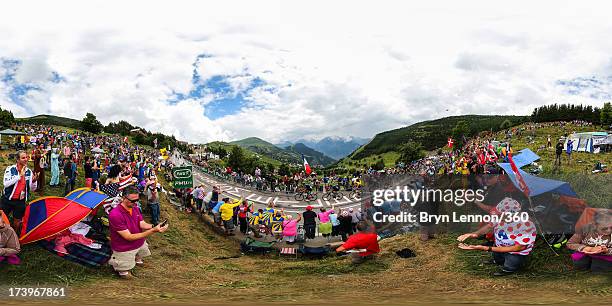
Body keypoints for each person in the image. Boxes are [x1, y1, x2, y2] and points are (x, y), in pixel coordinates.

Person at [457, 197, 536, 276]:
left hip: (515, 252)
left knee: (512, 260)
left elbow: (518, 248)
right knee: (497, 256)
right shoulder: (499, 218)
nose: (497, 215)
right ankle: (498, 261)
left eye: (500, 214)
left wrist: (488, 248)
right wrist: (475, 234)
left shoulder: (526, 225)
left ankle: (508, 269)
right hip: (499, 246)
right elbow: (489, 226)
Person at [108, 185, 168, 279]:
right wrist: (153, 230)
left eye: (137, 200)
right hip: (124, 246)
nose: (135, 203)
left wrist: (153, 226)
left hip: (138, 241)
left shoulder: (135, 208)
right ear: (123, 198)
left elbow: (141, 223)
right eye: (132, 200)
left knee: (140, 251)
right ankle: (124, 272)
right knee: (123, 267)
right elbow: (128, 237)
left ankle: (137, 261)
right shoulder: (115, 215)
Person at [2, 151, 38, 231]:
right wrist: (19, 176)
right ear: (18, 160)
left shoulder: (29, 172)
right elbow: (6, 184)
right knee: (2, 218)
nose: (26, 159)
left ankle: (14, 235)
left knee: (17, 221)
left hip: (20, 201)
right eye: (23, 158)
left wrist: (34, 181)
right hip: (7, 199)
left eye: (26, 157)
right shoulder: (10, 169)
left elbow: (32, 189)